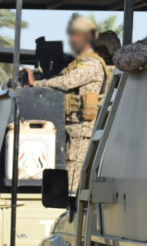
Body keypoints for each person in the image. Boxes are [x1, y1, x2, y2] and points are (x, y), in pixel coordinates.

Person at [22, 13, 107, 192]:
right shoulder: (78, 62)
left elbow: (68, 81)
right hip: (74, 125)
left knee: (73, 177)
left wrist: (37, 84)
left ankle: (72, 211)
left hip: (83, 127)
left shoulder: (91, 63)